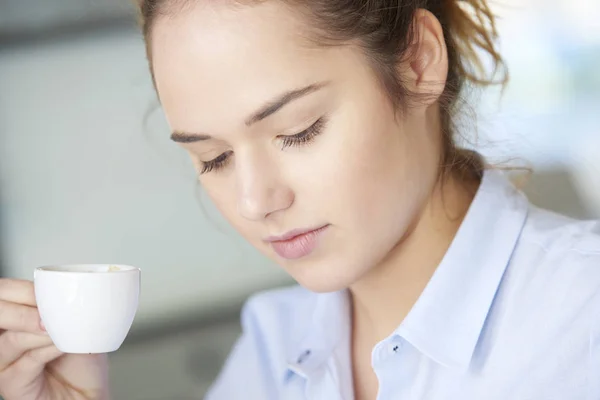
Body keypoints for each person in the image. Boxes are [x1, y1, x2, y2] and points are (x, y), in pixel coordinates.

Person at [1, 0, 599, 399]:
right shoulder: (272, 348)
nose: (255, 199)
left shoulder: (581, 318)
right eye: (214, 158)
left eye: (299, 130)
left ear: (418, 62)